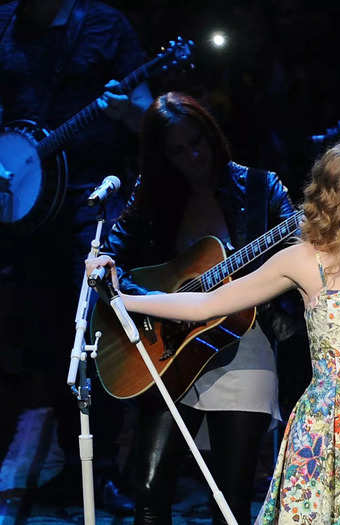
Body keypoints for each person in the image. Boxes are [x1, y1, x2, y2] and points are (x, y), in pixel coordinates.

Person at [87, 140, 340, 524]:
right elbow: (206, 304)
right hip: (327, 437)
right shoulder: (302, 262)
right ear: (339, 199)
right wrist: (123, 298)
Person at [98, 92, 295, 525]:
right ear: (161, 155)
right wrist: (155, 304)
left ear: (212, 136)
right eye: (177, 150)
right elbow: (111, 265)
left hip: (243, 344)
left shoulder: (263, 188)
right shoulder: (150, 199)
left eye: (198, 142)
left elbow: (299, 254)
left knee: (229, 501)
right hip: (168, 354)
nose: (193, 155)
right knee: (148, 492)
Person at [0, 0, 152, 512]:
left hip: (91, 199)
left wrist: (123, 109)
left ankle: (103, 467)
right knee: (42, 337)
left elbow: (149, 114)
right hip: (20, 205)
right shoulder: (4, 22)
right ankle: (70, 463)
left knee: (95, 328)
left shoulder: (105, 25)